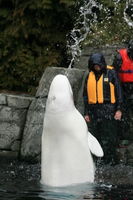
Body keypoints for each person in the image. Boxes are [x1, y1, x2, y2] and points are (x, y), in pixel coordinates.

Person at [83, 52, 124, 165]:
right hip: (94, 111)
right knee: (96, 138)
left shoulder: (111, 73)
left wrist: (119, 109)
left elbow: (118, 92)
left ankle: (109, 162)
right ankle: (97, 163)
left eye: (99, 65)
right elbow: (85, 96)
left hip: (109, 110)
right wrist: (86, 113)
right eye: (95, 66)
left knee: (108, 139)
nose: (97, 68)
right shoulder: (89, 76)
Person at [112, 40, 133, 144]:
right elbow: (113, 72)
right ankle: (124, 138)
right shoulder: (120, 56)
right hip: (123, 87)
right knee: (123, 114)